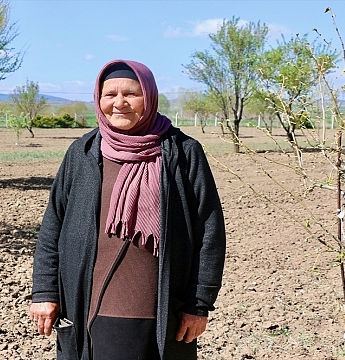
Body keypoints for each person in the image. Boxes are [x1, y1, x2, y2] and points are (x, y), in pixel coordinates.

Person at [29, 59, 226, 360]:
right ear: (98, 99)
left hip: (162, 307)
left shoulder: (183, 152)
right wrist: (45, 292)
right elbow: (52, 227)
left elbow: (209, 232)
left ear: (149, 96)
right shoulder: (82, 153)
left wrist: (198, 303)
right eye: (110, 95)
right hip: (92, 303)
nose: (119, 103)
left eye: (131, 94)